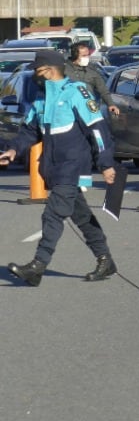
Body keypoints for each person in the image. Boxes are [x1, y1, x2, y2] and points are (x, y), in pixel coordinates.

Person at [3, 50, 119, 287]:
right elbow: (30, 131)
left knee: (53, 214)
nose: (35, 74)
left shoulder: (77, 92)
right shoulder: (42, 97)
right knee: (83, 218)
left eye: (37, 69)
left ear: (49, 69)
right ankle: (105, 259)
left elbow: (97, 129)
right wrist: (14, 150)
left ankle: (37, 266)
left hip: (73, 165)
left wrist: (106, 163)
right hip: (53, 168)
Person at [66, 41, 120, 117]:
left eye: (88, 55)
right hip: (69, 110)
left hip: (89, 109)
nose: (87, 58)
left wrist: (111, 104)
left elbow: (102, 89)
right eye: (84, 55)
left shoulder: (92, 69)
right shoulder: (64, 69)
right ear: (75, 56)